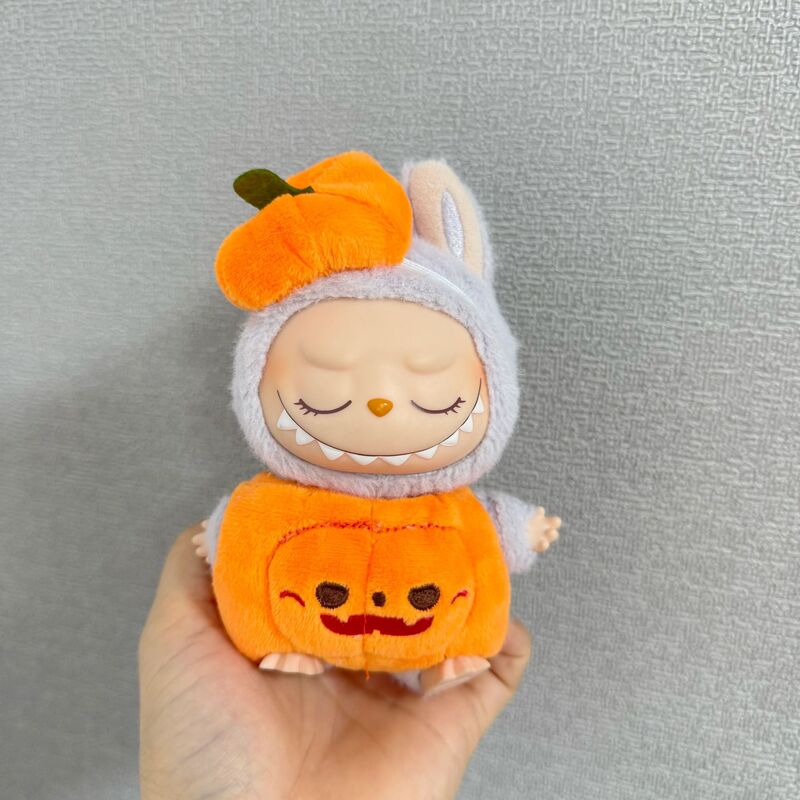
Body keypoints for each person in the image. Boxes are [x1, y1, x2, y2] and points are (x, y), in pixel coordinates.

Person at [139, 522, 534, 800]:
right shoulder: (287, 500)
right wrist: (218, 533)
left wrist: (522, 530)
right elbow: (246, 521)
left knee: (427, 635)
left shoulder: (448, 508)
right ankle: (305, 645)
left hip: (408, 648)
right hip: (313, 643)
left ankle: (430, 670)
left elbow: (491, 522)